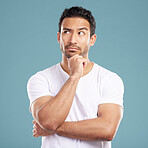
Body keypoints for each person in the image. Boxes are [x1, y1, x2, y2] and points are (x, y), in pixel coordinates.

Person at [27, 6, 124, 148]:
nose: (73, 40)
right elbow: (49, 121)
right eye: (67, 32)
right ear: (59, 37)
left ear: (92, 39)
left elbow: (107, 129)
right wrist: (75, 76)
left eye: (81, 33)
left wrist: (53, 128)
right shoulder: (40, 79)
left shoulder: (109, 79)